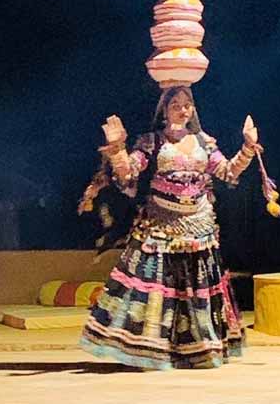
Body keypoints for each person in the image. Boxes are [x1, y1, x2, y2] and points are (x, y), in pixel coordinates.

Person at [79, 86, 259, 369]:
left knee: (195, 291)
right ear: (164, 110)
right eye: (175, 104)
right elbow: (127, 172)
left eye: (187, 104)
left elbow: (227, 171)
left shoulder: (204, 142)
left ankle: (199, 350)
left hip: (199, 226)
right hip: (160, 225)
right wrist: (117, 148)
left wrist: (248, 147)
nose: (183, 109)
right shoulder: (152, 142)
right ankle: (150, 351)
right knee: (156, 291)